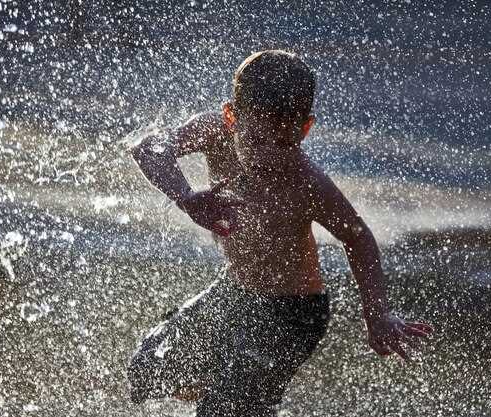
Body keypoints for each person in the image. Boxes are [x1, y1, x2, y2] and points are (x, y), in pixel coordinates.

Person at [127, 49, 433, 417]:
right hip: (235, 292)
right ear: (231, 118)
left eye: (286, 142)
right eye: (257, 141)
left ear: (305, 129)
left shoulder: (307, 184)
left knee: (222, 410)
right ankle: (239, 391)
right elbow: (149, 148)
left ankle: (240, 397)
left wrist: (378, 314)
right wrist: (187, 198)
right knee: (148, 370)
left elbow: (358, 237)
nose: (269, 156)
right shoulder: (214, 132)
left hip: (293, 314)